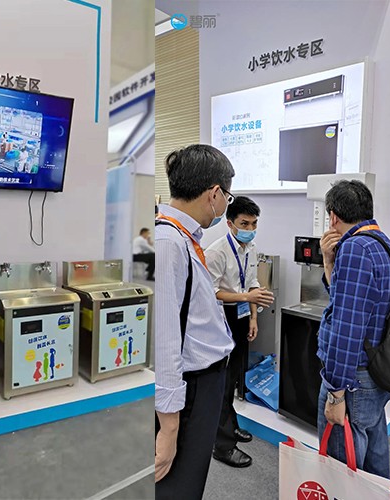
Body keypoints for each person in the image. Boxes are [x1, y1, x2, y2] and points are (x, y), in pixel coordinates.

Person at [154, 144, 236, 498]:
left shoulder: (183, 238)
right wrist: (169, 428)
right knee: (178, 484)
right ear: (214, 194)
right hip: (190, 388)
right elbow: (165, 339)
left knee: (191, 476)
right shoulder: (168, 242)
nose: (225, 204)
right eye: (227, 197)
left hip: (204, 382)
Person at [316, 180, 390, 479]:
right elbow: (348, 301)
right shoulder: (382, 243)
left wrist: (336, 394)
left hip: (352, 378)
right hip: (374, 372)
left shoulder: (354, 248)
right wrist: (328, 262)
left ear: (333, 217)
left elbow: (346, 327)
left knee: (342, 468)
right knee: (374, 455)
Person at [206, 196, 274, 468]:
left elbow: (252, 283)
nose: (250, 228)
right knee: (221, 382)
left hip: (242, 315)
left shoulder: (251, 248)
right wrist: (247, 297)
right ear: (230, 223)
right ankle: (221, 446)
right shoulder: (217, 252)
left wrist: (254, 317)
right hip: (221, 317)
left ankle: (230, 425)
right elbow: (211, 292)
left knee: (234, 376)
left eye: (254, 223)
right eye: (244, 223)